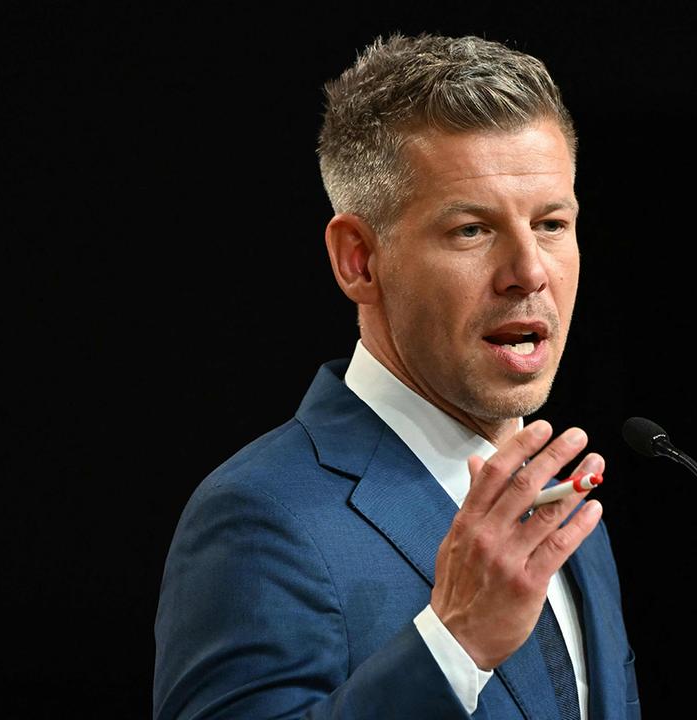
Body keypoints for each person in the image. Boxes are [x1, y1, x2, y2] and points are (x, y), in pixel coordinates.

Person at [153, 33, 640, 719]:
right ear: (359, 260)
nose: (530, 271)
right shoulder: (261, 516)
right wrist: (455, 645)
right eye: (471, 230)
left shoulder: (564, 511)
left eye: (552, 224)